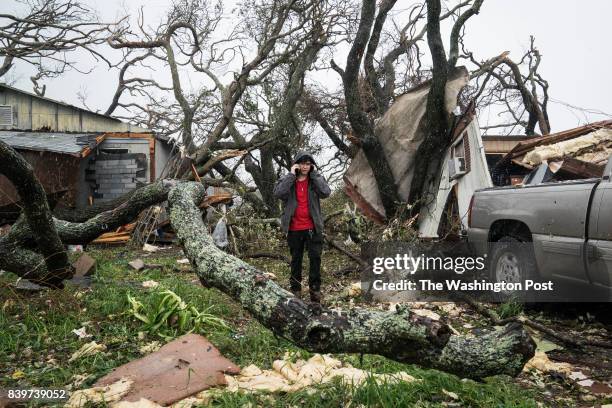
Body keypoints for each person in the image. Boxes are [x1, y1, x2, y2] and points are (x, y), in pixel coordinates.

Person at [273, 151, 331, 304]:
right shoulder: (289, 180)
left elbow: (326, 192)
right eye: (302, 163)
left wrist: (314, 175)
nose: (305, 166)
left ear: (311, 165)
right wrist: (291, 175)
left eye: (308, 163)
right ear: (296, 164)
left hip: (313, 227)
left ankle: (315, 293)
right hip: (294, 228)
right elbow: (278, 193)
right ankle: (296, 291)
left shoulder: (315, 180)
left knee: (315, 260)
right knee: (296, 260)